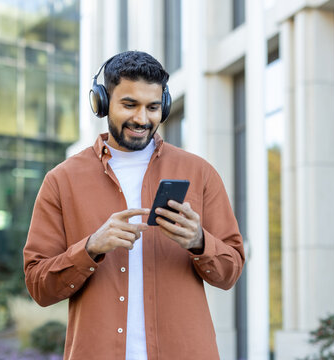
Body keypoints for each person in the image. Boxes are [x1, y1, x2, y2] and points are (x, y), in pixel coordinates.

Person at [23, 50, 245, 360]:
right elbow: (39, 286)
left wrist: (199, 242)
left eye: (153, 107)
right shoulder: (62, 180)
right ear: (102, 103)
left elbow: (230, 271)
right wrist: (90, 248)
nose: (142, 119)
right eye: (129, 105)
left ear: (164, 107)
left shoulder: (200, 173)